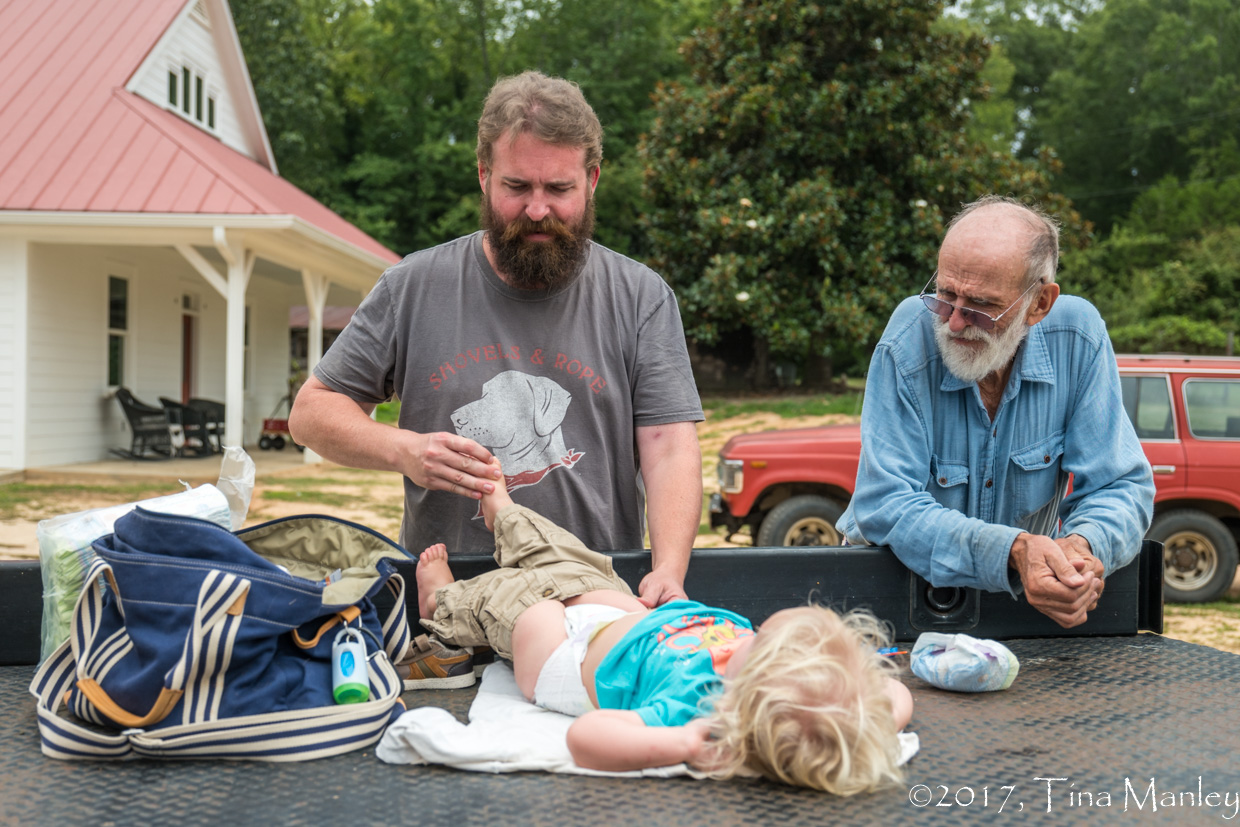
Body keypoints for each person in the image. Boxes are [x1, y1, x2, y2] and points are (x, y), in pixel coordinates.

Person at [289, 71, 703, 609]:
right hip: (450, 603)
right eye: (516, 187)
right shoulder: (412, 287)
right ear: (484, 175)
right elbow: (311, 413)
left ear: (593, 179)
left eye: (559, 189)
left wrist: (669, 569)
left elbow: (669, 445)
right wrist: (406, 449)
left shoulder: (640, 297)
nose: (537, 209)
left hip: (598, 594)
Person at [414, 466, 914, 793]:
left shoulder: (694, 707)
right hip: (632, 619)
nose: (754, 633)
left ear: (746, 692)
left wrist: (687, 745)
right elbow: (893, 696)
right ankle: (508, 517)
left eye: (759, 642)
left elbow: (587, 738)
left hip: (564, 660)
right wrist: (866, 716)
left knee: (521, 605)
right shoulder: (818, 695)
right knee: (576, 561)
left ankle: (442, 602)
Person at [837, 195, 1155, 629]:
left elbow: (1122, 485)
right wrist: (1013, 550)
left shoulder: (1078, 337)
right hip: (896, 598)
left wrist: (1083, 548)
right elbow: (885, 503)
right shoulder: (909, 337)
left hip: (1025, 609)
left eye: (981, 307)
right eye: (945, 295)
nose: (952, 322)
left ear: (1039, 304)